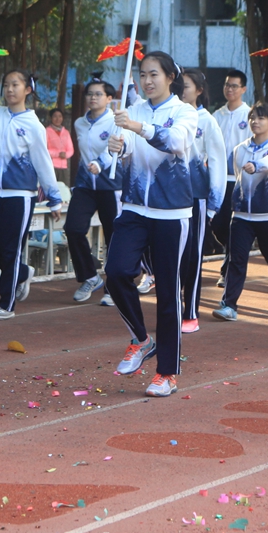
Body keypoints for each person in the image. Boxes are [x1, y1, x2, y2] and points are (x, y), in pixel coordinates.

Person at [103, 51, 196, 396]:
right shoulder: (132, 110)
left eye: (154, 74)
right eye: (143, 74)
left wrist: (136, 128)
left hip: (171, 214)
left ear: (171, 76)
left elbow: (175, 141)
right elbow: (123, 149)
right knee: (115, 272)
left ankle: (167, 373)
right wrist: (117, 146)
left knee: (168, 293)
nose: (147, 81)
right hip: (134, 209)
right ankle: (141, 340)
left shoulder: (184, 113)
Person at [0, 70, 63, 320]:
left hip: (21, 196)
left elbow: (43, 162)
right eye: (6, 85)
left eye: (15, 85)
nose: (9, 89)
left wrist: (54, 196)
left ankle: (6, 304)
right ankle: (22, 273)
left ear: (28, 90)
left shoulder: (33, 125)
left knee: (10, 249)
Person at [217, 102, 268, 320]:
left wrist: (256, 165)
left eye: (260, 118)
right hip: (241, 215)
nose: (255, 122)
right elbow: (237, 176)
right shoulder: (240, 149)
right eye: (252, 118)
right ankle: (229, 305)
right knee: (236, 259)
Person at [179, 70, 227, 331]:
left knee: (192, 256)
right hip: (168, 198)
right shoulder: (170, 116)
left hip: (196, 198)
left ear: (199, 90)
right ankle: (172, 309)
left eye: (185, 86)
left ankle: (190, 313)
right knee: (169, 257)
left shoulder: (206, 121)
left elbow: (218, 161)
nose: (180, 90)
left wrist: (214, 203)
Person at [67, 81, 120, 303]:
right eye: (90, 94)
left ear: (109, 98)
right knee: (73, 228)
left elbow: (115, 147)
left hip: (111, 186)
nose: (93, 98)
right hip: (85, 185)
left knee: (114, 237)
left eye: (99, 94)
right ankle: (90, 275)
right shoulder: (80, 123)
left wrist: (100, 164)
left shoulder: (115, 121)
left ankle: (114, 288)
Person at [209, 71, 252, 264]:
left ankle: (230, 264)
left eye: (234, 86)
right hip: (219, 178)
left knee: (233, 223)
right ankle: (230, 250)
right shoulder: (217, 115)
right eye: (227, 85)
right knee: (217, 223)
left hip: (239, 179)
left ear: (243, 89)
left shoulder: (250, 115)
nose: (230, 89)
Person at [46, 107, 74, 184]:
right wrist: (57, 154)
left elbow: (70, 149)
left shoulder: (66, 132)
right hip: (51, 166)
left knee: (63, 190)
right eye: (55, 116)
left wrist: (65, 154)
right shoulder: (46, 131)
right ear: (51, 118)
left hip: (63, 167)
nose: (58, 119)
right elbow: (44, 149)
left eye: (60, 116)